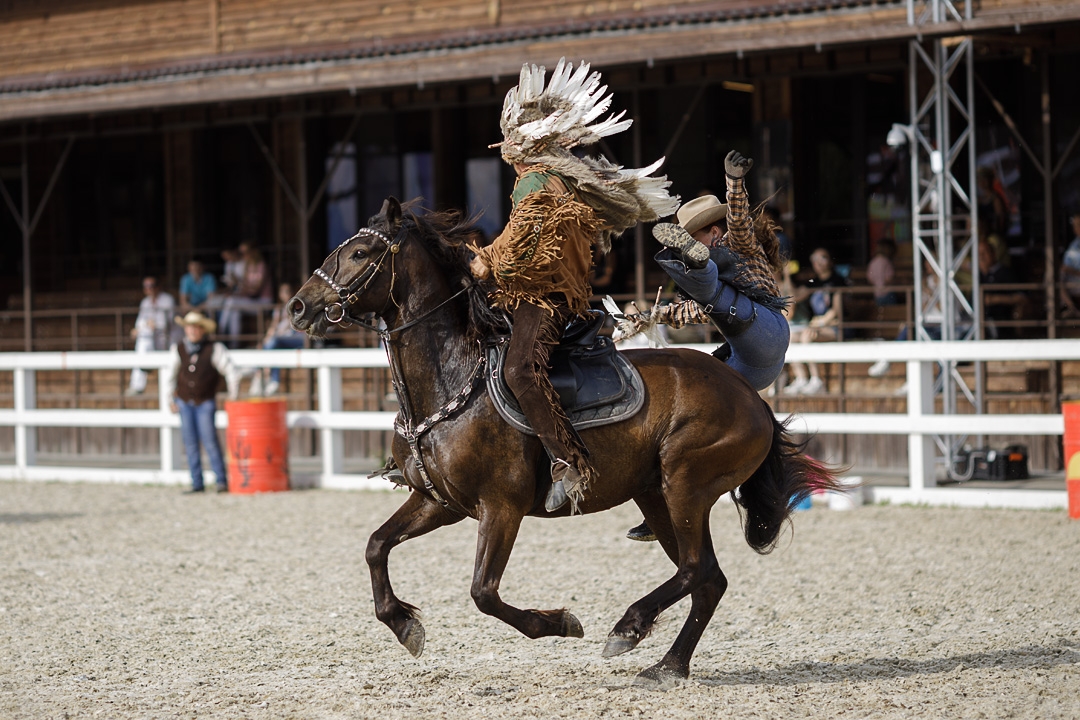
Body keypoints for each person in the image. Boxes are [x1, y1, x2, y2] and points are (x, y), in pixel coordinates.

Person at [469, 58, 677, 514]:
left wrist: (484, 262)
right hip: (537, 294)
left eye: (511, 139)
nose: (505, 147)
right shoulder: (550, 180)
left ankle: (568, 463)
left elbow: (522, 247)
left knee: (520, 370)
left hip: (543, 300)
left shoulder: (539, 183)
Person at [615, 150, 789, 543]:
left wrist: (734, 180)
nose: (698, 241)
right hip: (750, 361)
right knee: (701, 396)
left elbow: (740, 218)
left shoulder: (738, 242)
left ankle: (693, 266)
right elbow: (691, 312)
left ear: (712, 231)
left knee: (708, 285)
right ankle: (663, 503)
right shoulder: (713, 288)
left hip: (767, 330)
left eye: (693, 239)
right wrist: (648, 318)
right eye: (688, 243)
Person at [163, 311, 240, 494]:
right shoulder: (179, 349)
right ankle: (197, 482)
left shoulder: (214, 348)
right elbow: (169, 376)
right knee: (190, 442)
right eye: (189, 327)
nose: (192, 330)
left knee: (209, 440)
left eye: (195, 327)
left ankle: (221, 480)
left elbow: (231, 371)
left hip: (205, 400)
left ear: (202, 330)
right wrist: (169, 400)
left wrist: (233, 395)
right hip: (184, 400)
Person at [784, 247, 851, 395]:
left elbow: (836, 312)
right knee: (790, 337)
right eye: (814, 259)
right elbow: (794, 296)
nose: (818, 263)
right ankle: (801, 378)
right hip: (817, 326)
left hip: (836, 327)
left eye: (823, 258)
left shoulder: (838, 280)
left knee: (807, 336)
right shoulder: (814, 281)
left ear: (830, 261)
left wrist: (820, 323)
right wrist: (787, 276)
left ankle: (817, 380)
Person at [249, 282, 306, 396]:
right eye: (283, 292)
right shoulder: (278, 309)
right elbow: (274, 326)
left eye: (287, 291)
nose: (285, 294)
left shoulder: (297, 306)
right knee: (266, 345)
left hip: (296, 337)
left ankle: (266, 377)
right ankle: (264, 376)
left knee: (274, 342)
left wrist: (274, 336)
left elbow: (293, 325)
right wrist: (265, 339)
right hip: (281, 338)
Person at [127, 276, 176, 396]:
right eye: (146, 287)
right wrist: (137, 329)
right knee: (142, 342)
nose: (149, 289)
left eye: (152, 286)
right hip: (149, 339)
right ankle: (138, 381)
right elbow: (141, 322)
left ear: (158, 287)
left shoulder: (167, 300)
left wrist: (154, 324)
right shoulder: (145, 302)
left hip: (167, 337)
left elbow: (168, 322)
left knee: (144, 342)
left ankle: (144, 369)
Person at [218, 242, 274, 346]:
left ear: (253, 252)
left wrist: (239, 283)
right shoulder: (248, 266)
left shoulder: (261, 266)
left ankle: (220, 333)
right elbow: (245, 290)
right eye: (241, 252)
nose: (243, 255)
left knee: (231, 302)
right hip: (252, 301)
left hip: (263, 302)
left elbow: (255, 290)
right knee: (234, 312)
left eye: (245, 252)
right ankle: (233, 344)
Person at [1059, 212, 1080, 318]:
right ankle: (1072, 309)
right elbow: (1065, 267)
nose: (1076, 228)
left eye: (1079, 225)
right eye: (1075, 225)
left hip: (1077, 279)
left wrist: (1073, 271)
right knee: (1053, 276)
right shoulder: (1074, 244)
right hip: (1073, 282)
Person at [867, 238, 899, 306]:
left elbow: (870, 278)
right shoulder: (886, 261)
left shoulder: (873, 262)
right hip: (887, 293)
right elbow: (889, 278)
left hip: (877, 293)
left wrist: (878, 282)